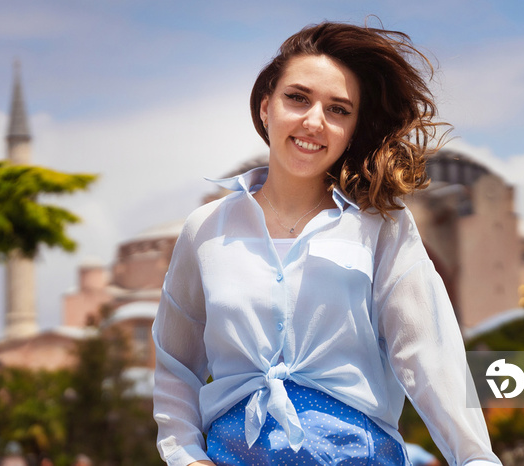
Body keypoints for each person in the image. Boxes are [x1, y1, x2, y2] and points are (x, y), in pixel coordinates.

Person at [152, 21, 501, 466]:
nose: (314, 121)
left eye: (338, 110)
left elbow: (428, 355)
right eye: (297, 98)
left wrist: (475, 458)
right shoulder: (205, 229)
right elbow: (174, 364)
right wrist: (185, 456)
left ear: (353, 128)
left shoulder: (383, 226)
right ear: (265, 108)